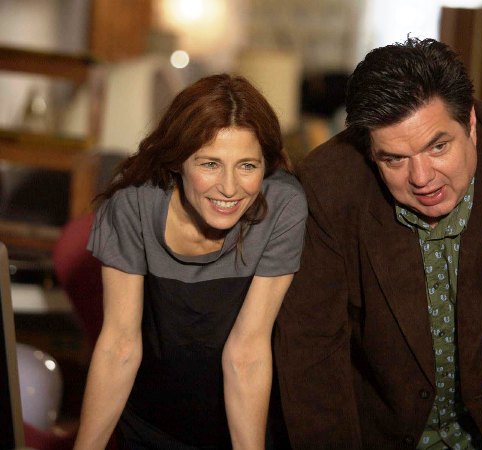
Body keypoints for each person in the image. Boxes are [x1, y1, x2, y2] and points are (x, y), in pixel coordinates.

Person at [274, 37, 482, 449]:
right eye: (394, 159)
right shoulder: (328, 185)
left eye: (438, 147)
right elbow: (312, 350)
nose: (421, 178)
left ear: (470, 123)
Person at [73, 73, 307, 450]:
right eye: (210, 164)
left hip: (243, 423)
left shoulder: (282, 206)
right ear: (178, 160)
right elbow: (120, 346)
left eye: (247, 166)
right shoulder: (133, 205)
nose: (229, 188)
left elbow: (247, 352)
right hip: (149, 423)